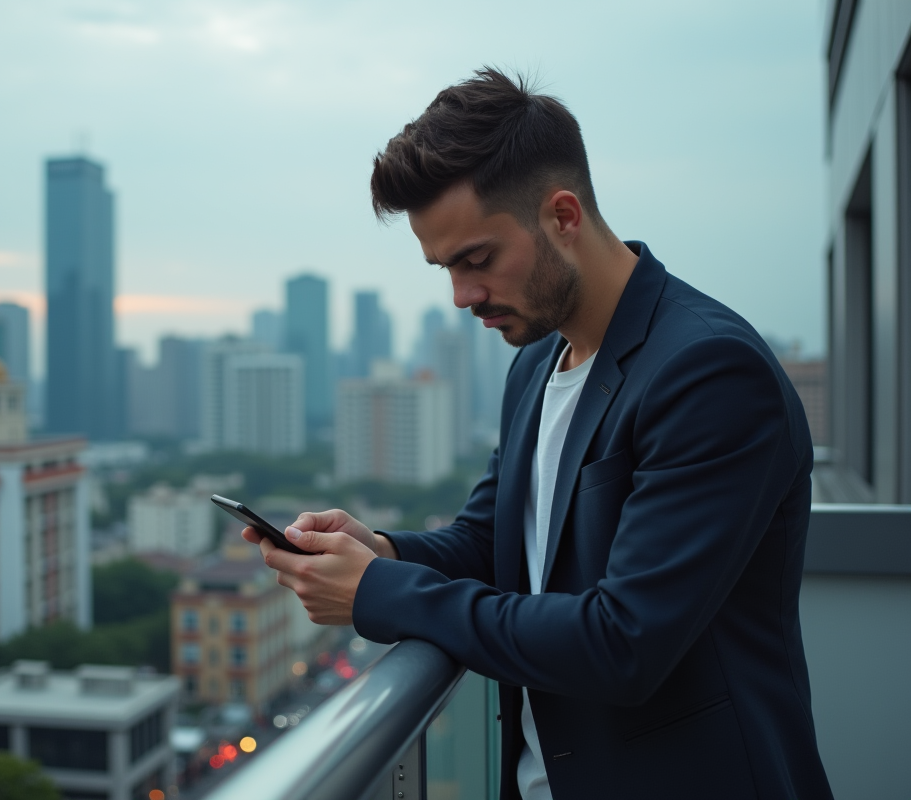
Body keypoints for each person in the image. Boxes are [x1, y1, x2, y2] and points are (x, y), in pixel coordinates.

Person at [242, 68, 833, 799]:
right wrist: (384, 552)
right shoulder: (535, 366)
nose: (462, 297)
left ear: (562, 215)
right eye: (445, 269)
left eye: (477, 260)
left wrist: (381, 593)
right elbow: (496, 545)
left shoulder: (709, 371)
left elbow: (624, 643)